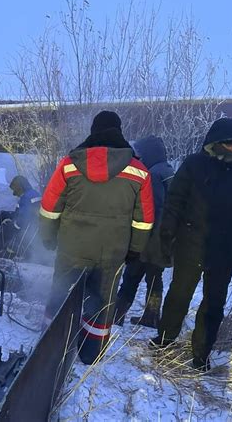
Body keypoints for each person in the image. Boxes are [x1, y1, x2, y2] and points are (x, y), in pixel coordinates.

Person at [40, 111, 154, 364]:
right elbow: (144, 220)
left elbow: (50, 206)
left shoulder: (69, 164)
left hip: (72, 247)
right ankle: (90, 353)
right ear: (119, 131)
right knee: (102, 301)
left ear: (93, 131)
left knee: (61, 294)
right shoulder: (139, 171)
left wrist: (48, 237)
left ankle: (50, 347)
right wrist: (134, 250)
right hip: (112, 252)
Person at [150, 118, 232, 371]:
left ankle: (201, 354)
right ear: (216, 143)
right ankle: (164, 340)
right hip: (191, 243)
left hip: (225, 250)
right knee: (179, 294)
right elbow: (174, 202)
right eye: (230, 144)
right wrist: (166, 235)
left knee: (214, 304)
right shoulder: (194, 165)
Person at [114, 135, 174, 328]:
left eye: (141, 153)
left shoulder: (153, 174)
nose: (139, 157)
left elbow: (152, 209)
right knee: (155, 279)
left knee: (131, 276)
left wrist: (139, 240)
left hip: (150, 240)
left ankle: (116, 315)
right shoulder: (168, 170)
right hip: (164, 239)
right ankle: (151, 317)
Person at [0, 175, 41, 258]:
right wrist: (9, 215)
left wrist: (11, 226)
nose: (14, 194)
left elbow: (23, 220)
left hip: (26, 232)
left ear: (20, 188)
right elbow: (22, 214)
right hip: (33, 231)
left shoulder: (26, 198)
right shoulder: (33, 194)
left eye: (15, 190)